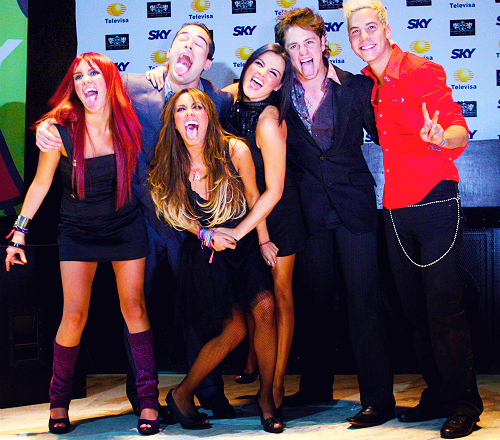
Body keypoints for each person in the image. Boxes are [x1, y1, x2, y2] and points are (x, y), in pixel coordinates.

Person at [35, 23, 236, 419]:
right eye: (183, 39)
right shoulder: (131, 84)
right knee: (135, 310)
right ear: (169, 49)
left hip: (189, 222)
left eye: (199, 44)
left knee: (198, 307)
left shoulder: (216, 99)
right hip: (138, 221)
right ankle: (141, 397)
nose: (189, 46)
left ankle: (208, 390)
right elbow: (84, 93)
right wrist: (48, 123)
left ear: (207, 62)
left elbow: (253, 91)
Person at [343, 1, 483, 438]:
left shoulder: (421, 70)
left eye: (370, 28)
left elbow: (457, 128)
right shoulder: (366, 84)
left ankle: (464, 405)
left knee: (444, 310)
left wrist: (441, 137)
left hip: (435, 202)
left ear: (386, 29)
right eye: (355, 31)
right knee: (416, 313)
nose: (363, 37)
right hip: (395, 208)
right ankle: (439, 394)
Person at [5, 53, 160, 435]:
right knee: (73, 316)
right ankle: (58, 401)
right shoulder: (59, 131)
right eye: (78, 77)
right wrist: (19, 231)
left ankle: (149, 400)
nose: (86, 81)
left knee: (135, 308)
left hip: (125, 226)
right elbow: (41, 183)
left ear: (109, 80)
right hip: (78, 230)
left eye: (93, 74)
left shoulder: (130, 122)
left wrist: (162, 68)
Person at [274, 7, 395, 427]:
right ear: (287, 53)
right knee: (315, 302)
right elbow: (241, 94)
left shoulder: (358, 88)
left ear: (324, 43)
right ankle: (316, 388)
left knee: (365, 302)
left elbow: (388, 132)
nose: (303, 52)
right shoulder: (279, 95)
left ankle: (378, 399)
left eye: (309, 42)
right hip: (308, 212)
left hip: (354, 208)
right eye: (294, 46)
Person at [149, 88, 283, 433]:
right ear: (174, 122)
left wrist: (263, 239)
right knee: (235, 328)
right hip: (206, 251)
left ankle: (267, 397)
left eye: (197, 107)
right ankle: (181, 394)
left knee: (266, 308)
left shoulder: (234, 149)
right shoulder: (170, 161)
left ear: (209, 115)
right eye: (181, 110)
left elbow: (254, 196)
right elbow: (173, 210)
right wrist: (206, 234)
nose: (190, 114)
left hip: (243, 241)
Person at [222, 43, 304, 415]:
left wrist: (250, 234)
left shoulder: (269, 120)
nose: (261, 75)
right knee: (254, 296)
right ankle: (254, 363)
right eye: (259, 64)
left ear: (279, 85)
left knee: (279, 296)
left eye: (273, 73)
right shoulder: (230, 98)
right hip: (244, 214)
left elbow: (274, 191)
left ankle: (275, 384)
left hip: (276, 215)